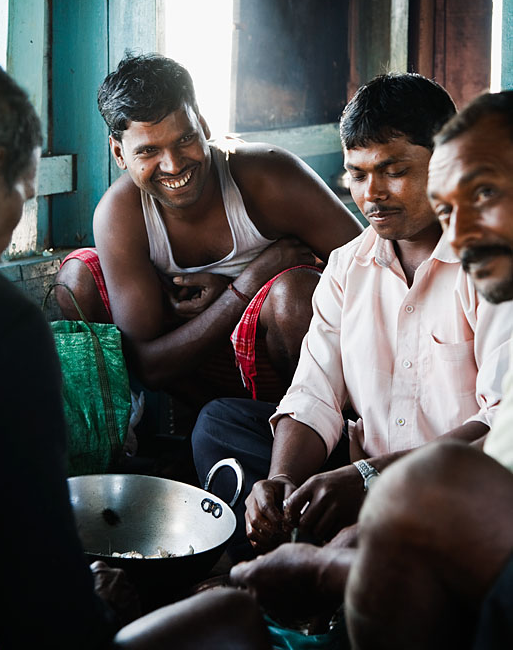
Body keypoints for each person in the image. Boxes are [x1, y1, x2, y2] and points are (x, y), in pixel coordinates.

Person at [0, 54, 273, 650]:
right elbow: (31, 590)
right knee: (233, 620)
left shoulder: (262, 177)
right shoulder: (2, 325)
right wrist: (96, 606)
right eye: (22, 176)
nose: (30, 191)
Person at [192, 73, 513, 562]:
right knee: (220, 425)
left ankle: (331, 561)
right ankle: (296, 549)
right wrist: (282, 480)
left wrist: (370, 478)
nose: (373, 194)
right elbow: (313, 392)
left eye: (394, 170)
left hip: (465, 493)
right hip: (363, 484)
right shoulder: (347, 265)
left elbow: (501, 425)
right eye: (358, 174)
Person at [55, 53, 362, 420]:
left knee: (295, 294)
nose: (173, 165)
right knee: (78, 278)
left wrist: (287, 277)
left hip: (294, 373)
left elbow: (372, 272)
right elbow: (149, 366)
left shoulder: (268, 176)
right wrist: (244, 286)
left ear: (202, 124)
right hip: (197, 374)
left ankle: (310, 436)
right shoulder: (121, 214)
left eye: (184, 139)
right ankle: (210, 430)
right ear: (119, 153)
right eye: (149, 151)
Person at [343, 89, 513, 649]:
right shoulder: (353, 264)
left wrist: (378, 524)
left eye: (485, 193)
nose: (460, 236)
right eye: (448, 208)